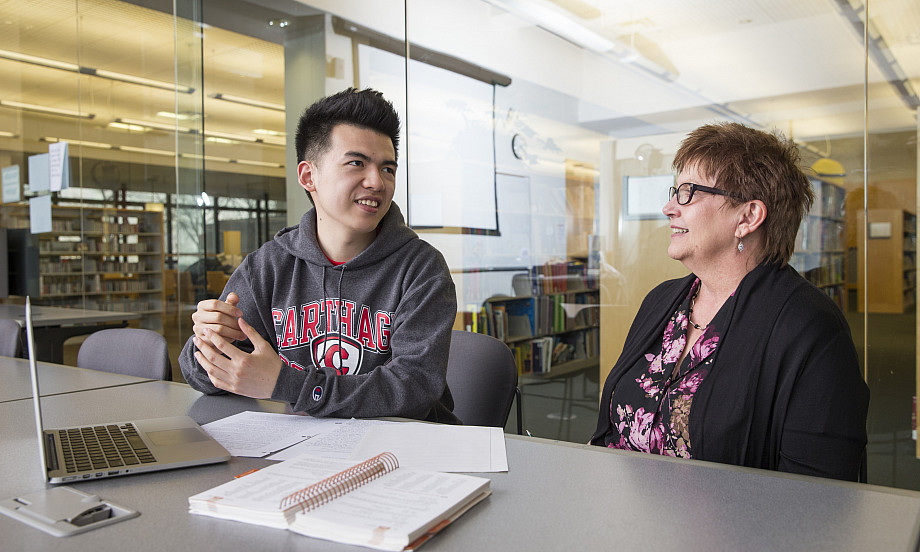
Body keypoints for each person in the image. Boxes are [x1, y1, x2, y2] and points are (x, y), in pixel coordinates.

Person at [590, 122, 869, 481]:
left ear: (748, 217)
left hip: (729, 534)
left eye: (689, 192)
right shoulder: (661, 301)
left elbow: (819, 498)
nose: (669, 207)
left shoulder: (811, 329)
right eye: (676, 190)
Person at [179, 88, 460, 423]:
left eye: (387, 169)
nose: (377, 182)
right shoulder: (268, 266)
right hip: (303, 450)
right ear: (308, 176)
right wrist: (212, 342)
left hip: (403, 453)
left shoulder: (420, 268)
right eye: (357, 163)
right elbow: (204, 376)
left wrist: (288, 384)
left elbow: (413, 390)